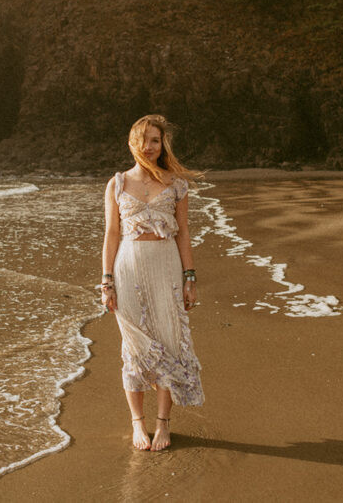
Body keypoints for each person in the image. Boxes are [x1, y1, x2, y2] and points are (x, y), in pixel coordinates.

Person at [101, 114, 204, 451]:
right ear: (133, 143)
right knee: (134, 346)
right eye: (144, 139)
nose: (149, 146)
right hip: (127, 267)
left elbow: (184, 233)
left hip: (166, 266)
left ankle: (162, 424)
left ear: (163, 145)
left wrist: (190, 278)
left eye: (156, 140)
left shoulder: (176, 185)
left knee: (169, 341)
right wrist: (107, 282)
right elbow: (111, 234)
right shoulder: (116, 184)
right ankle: (137, 423)